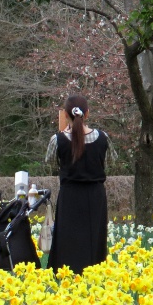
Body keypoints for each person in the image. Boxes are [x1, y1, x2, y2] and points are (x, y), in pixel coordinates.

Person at [45, 94, 109, 274]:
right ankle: (93, 274)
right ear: (87, 114)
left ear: (65, 115)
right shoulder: (103, 138)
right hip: (96, 195)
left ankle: (67, 274)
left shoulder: (57, 140)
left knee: (68, 237)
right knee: (93, 237)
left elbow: (50, 163)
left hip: (70, 195)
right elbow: (109, 162)